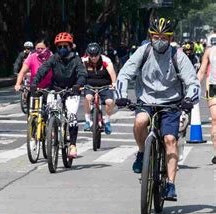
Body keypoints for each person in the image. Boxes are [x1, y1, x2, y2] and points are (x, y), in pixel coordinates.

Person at [115, 17, 200, 201]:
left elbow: (193, 82)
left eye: (164, 37)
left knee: (170, 140)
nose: (159, 40)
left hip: (171, 104)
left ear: (170, 38)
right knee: (140, 122)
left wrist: (188, 100)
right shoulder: (143, 51)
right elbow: (124, 74)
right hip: (146, 101)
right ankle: (141, 153)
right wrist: (121, 96)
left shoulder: (178, 56)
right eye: (155, 36)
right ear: (150, 37)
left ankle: (170, 184)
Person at [31, 32, 87, 158]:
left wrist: (78, 84)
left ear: (70, 47)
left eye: (65, 46)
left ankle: (72, 144)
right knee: (51, 110)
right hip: (55, 89)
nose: (62, 49)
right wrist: (35, 83)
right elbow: (43, 70)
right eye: (59, 47)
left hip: (72, 90)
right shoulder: (53, 58)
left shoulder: (76, 59)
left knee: (71, 116)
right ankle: (53, 131)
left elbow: (82, 73)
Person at [81, 42, 117, 134]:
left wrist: (113, 83)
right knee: (88, 98)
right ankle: (88, 120)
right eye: (91, 55)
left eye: (96, 55)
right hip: (89, 85)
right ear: (88, 54)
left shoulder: (106, 60)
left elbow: (112, 73)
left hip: (105, 85)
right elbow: (79, 73)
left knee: (110, 102)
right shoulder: (83, 60)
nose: (93, 58)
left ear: (99, 53)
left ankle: (107, 121)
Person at [197, 37, 216, 164]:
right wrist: (192, 87)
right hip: (213, 87)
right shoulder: (210, 51)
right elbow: (202, 71)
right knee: (215, 119)